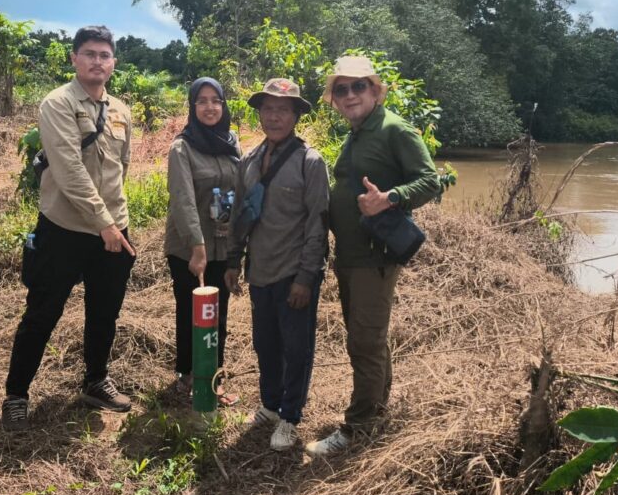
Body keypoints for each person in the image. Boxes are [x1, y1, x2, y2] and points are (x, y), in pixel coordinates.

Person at [0, 25, 136, 432]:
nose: (98, 61)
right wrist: (105, 224)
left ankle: (95, 381)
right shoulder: (57, 104)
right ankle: (16, 396)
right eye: (89, 54)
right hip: (64, 229)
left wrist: (116, 223)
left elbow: (121, 167)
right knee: (42, 313)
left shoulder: (121, 110)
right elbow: (69, 169)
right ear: (74, 59)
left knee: (104, 312)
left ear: (113, 63)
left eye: (105, 55)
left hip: (113, 229)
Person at [305, 56, 442, 457]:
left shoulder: (394, 129)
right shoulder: (357, 133)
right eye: (342, 89)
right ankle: (378, 408)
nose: (350, 95)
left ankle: (359, 426)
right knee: (369, 338)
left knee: (364, 342)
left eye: (358, 86)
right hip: (350, 255)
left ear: (376, 90)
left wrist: (390, 198)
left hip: (374, 257)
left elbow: (430, 180)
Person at [225, 78, 329, 452]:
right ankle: (269, 405)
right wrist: (234, 260)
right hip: (260, 272)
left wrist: (306, 276)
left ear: (296, 115)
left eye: (282, 109)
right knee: (265, 343)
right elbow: (240, 214)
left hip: (294, 274)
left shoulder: (310, 162)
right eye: (268, 109)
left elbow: (318, 222)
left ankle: (290, 416)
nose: (274, 116)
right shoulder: (249, 161)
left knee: (296, 347)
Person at [164, 77, 241, 406]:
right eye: (202, 101)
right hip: (188, 248)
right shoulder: (182, 147)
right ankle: (186, 375)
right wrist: (197, 247)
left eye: (215, 100)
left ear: (223, 105)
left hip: (222, 243)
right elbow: (182, 200)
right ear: (192, 107)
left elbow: (238, 190)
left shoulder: (232, 141)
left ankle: (212, 376)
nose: (210, 107)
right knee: (191, 312)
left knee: (219, 312)